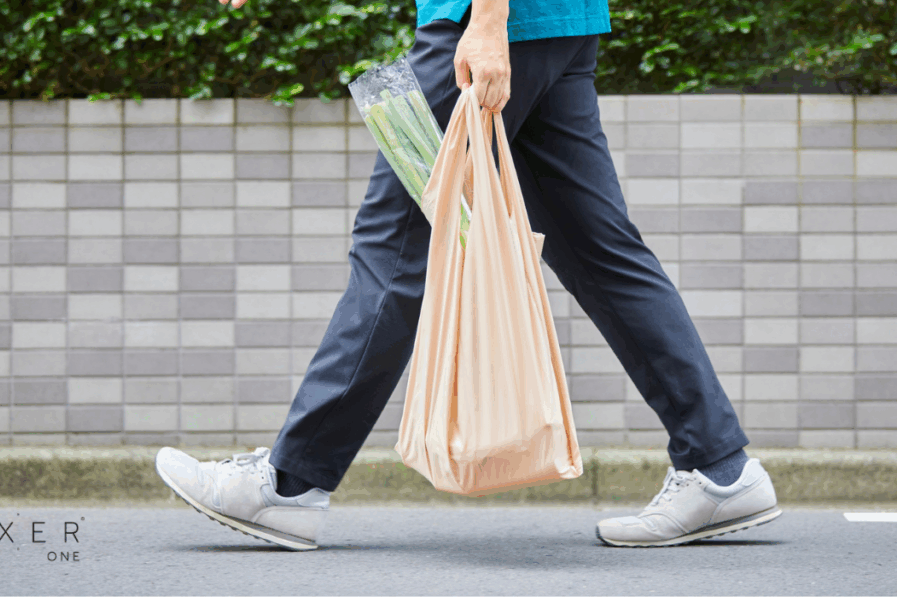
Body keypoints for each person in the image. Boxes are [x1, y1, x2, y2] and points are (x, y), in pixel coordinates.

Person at [155, 0, 783, 551]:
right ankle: (719, 467)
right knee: (603, 254)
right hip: (560, 24)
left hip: (483, 25)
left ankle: (290, 484)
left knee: (393, 252)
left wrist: (487, 20)